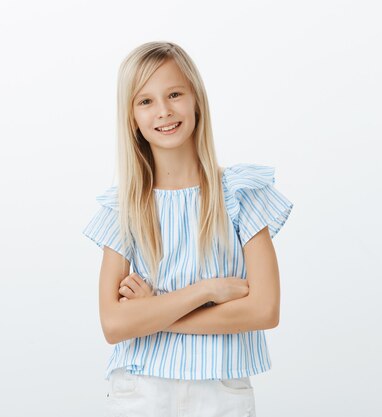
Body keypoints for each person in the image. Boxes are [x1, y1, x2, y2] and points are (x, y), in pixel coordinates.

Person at [82, 41, 294, 417]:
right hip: (140, 390)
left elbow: (264, 309)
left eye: (174, 94)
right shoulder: (125, 208)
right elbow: (115, 325)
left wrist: (152, 314)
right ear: (131, 117)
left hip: (221, 391)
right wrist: (207, 290)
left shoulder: (242, 194)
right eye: (145, 101)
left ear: (196, 99)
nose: (163, 111)